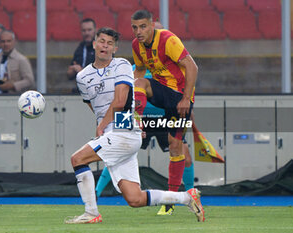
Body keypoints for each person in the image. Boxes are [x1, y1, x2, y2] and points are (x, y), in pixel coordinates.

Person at [65, 27, 204, 224]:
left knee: (78, 159)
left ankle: (91, 213)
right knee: (134, 198)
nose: (105, 45)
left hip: (124, 129)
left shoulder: (121, 65)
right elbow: (93, 106)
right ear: (94, 43)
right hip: (114, 131)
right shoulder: (82, 77)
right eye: (102, 41)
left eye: (110, 43)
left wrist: (110, 125)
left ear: (115, 48)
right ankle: (187, 197)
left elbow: (121, 101)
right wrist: (103, 125)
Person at [131, 10, 198, 215]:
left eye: (143, 26)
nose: (138, 31)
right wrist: (131, 93)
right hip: (161, 92)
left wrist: (186, 98)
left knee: (175, 146)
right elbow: (140, 71)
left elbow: (192, 66)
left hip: (180, 97)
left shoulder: (168, 39)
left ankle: (170, 201)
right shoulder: (136, 45)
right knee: (139, 83)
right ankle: (137, 120)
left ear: (152, 25)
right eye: (135, 27)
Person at [0, 30, 35, 94]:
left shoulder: (21, 59)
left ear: (14, 42)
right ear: (0, 43)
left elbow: (30, 81)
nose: (6, 44)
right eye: (3, 41)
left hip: (15, 98)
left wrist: (13, 86)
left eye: (8, 41)